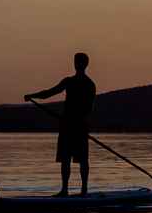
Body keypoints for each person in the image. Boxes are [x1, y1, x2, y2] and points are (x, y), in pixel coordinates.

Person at [25, 52, 98, 196]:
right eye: (76, 61)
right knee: (65, 158)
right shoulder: (68, 81)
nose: (77, 64)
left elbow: (89, 108)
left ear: (85, 64)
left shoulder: (90, 84)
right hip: (67, 126)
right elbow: (49, 93)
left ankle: (84, 191)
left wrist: (78, 121)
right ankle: (64, 190)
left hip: (80, 127)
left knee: (83, 159)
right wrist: (31, 96)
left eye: (79, 62)